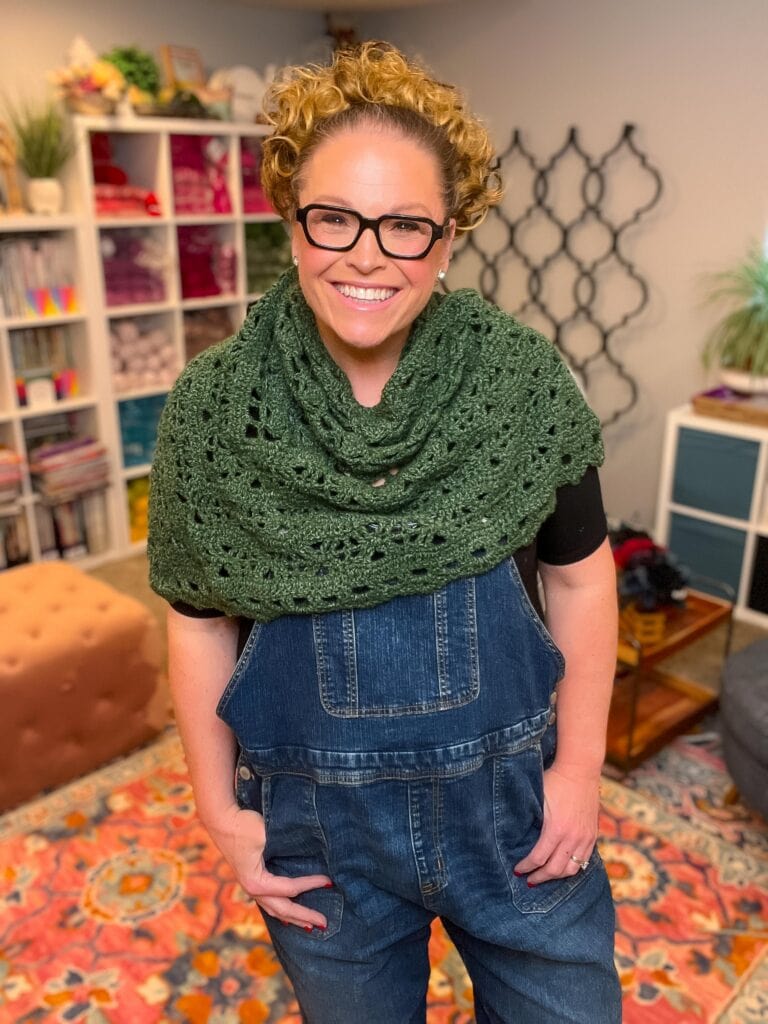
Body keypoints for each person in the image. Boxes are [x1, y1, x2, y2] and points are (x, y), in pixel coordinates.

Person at [148, 41, 622, 1024]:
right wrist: (218, 810)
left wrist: (579, 770)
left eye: (405, 226)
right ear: (292, 221)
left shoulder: (524, 388)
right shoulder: (213, 410)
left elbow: (582, 578)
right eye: (337, 219)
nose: (367, 252)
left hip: (517, 822)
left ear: (447, 240)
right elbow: (195, 620)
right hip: (323, 850)